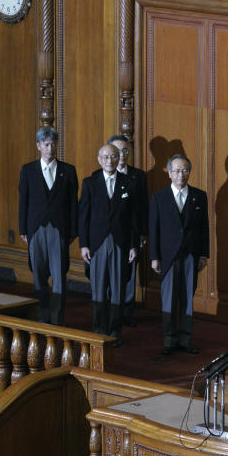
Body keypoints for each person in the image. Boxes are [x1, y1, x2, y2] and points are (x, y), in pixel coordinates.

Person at [78, 144, 139, 345]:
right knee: (98, 289)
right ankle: (98, 331)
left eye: (113, 156)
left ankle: (114, 333)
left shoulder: (129, 183)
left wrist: (133, 245)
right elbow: (83, 217)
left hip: (121, 243)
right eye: (105, 157)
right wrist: (84, 245)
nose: (110, 160)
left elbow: (133, 219)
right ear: (99, 159)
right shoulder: (89, 183)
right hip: (97, 244)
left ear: (119, 157)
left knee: (118, 290)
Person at [148, 154, 208, 355]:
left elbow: (204, 229)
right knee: (169, 300)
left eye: (185, 170)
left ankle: (185, 339)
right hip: (168, 257)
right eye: (176, 170)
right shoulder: (159, 197)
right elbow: (153, 229)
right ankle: (169, 340)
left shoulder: (199, 196)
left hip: (191, 255)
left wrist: (203, 254)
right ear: (169, 173)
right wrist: (154, 257)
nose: (180, 175)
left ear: (189, 172)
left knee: (187, 300)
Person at [18, 126, 79, 325]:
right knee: (39, 276)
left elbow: (72, 204)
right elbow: (23, 201)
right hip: (35, 229)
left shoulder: (68, 171)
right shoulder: (28, 170)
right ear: (38, 146)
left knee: (59, 278)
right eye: (46, 144)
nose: (50, 148)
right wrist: (23, 229)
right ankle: (43, 318)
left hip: (59, 229)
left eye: (53, 143)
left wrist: (72, 230)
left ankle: (57, 318)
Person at [109, 134, 148, 327]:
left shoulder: (138, 176)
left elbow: (142, 207)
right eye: (117, 151)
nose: (122, 155)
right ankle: (110, 309)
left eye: (125, 150)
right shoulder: (100, 175)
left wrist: (142, 233)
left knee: (130, 271)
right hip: (109, 234)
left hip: (131, 232)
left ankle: (127, 311)